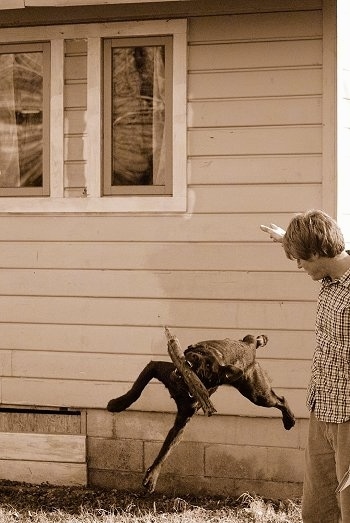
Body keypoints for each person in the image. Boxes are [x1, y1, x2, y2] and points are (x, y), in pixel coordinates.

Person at [261, 210, 350, 523]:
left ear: (318, 253)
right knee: (317, 509)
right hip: (321, 407)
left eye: (301, 259)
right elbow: (315, 246)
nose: (299, 267)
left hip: (348, 418)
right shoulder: (329, 276)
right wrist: (288, 239)